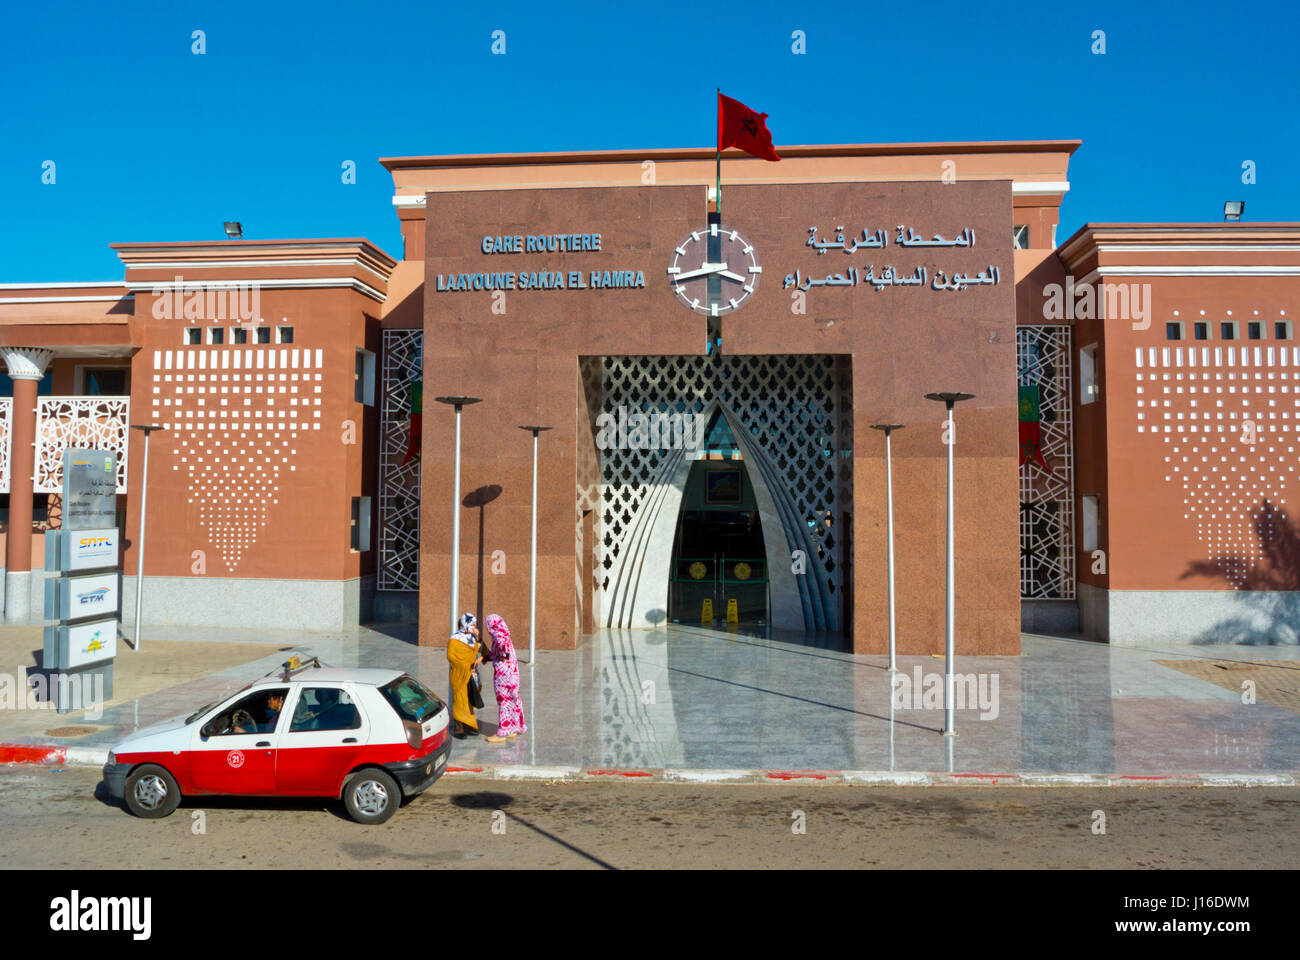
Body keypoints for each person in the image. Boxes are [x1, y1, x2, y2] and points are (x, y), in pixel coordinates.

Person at [482, 614, 527, 742]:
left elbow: (503, 653)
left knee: (504, 701)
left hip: (504, 677)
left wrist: (500, 655)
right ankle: (512, 728)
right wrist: (485, 657)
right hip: (512, 675)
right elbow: (499, 652)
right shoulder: (505, 633)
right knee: (512, 699)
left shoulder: (498, 636)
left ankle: (503, 732)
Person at [447, 612, 481, 738]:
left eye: (475, 624)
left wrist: (477, 639)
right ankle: (458, 729)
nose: (474, 627)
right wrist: (466, 662)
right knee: (459, 700)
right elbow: (451, 656)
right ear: (464, 624)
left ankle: (468, 725)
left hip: (471, 674)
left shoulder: (473, 638)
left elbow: (478, 651)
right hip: (459, 674)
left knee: (469, 701)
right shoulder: (455, 638)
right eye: (471, 624)